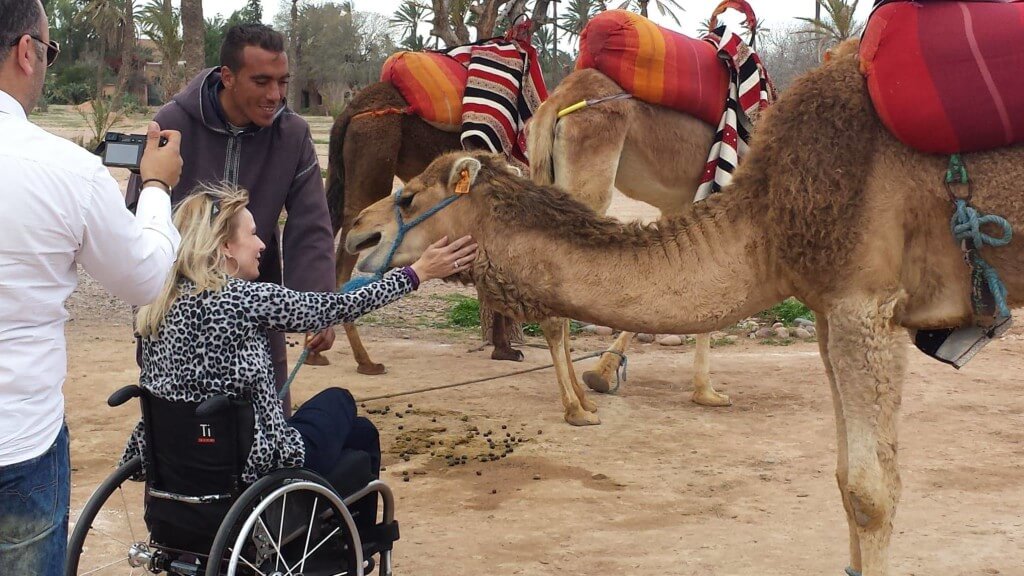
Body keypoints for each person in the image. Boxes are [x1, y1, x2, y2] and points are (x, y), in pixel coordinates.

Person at [120, 183, 477, 486]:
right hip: (254, 461)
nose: (262, 244)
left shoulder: (155, 303)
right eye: (252, 234)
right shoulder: (243, 298)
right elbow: (335, 308)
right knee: (341, 403)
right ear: (225, 247)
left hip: (175, 461)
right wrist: (417, 273)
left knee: (353, 432)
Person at [0, 0, 184, 572]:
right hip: (18, 442)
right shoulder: (65, 171)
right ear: (26, 51)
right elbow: (146, 277)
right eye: (49, 51)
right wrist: (154, 187)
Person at [126, 23, 336, 416]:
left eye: (282, 82)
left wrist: (318, 305)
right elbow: (143, 214)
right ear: (228, 77)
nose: (275, 95)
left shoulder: (292, 135)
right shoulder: (175, 121)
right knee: (181, 440)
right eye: (261, 81)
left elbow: (310, 227)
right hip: (177, 317)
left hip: (256, 315)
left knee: (267, 434)